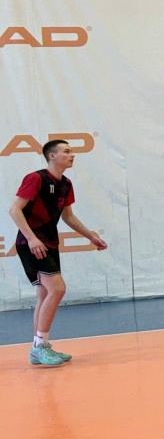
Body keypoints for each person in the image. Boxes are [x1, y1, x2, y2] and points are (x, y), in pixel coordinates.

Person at [8, 139, 108, 367]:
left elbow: (68, 216)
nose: (72, 155)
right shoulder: (36, 178)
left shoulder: (66, 184)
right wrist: (32, 238)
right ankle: (40, 347)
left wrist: (91, 236)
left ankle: (38, 347)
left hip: (50, 243)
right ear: (52, 156)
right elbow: (14, 209)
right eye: (67, 151)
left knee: (44, 295)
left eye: (71, 151)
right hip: (32, 244)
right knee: (58, 289)